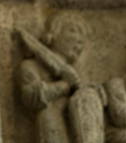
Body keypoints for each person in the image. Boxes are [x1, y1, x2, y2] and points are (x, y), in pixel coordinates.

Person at [17, 14, 104, 143]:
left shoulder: (74, 72)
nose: (79, 39)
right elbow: (31, 96)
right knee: (48, 116)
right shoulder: (31, 65)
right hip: (52, 124)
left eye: (82, 35)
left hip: (76, 130)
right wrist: (65, 86)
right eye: (73, 30)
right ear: (54, 34)